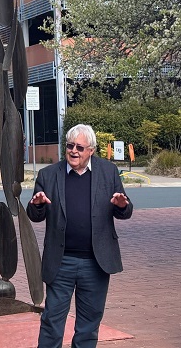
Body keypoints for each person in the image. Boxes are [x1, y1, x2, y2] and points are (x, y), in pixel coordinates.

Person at [27, 123, 133, 348]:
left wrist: (122, 205)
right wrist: (37, 205)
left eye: (80, 147)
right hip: (61, 262)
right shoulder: (48, 175)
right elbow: (35, 216)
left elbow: (124, 211)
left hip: (96, 263)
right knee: (52, 322)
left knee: (88, 325)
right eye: (70, 146)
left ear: (91, 150)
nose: (74, 151)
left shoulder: (108, 172)